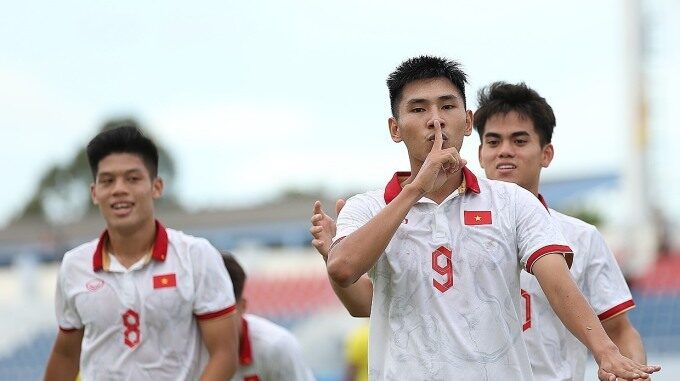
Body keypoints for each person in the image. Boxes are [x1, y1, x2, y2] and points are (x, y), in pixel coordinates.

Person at [312, 55, 659, 380]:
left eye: (447, 106)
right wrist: (416, 188)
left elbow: (555, 279)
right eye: (418, 109)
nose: (435, 119)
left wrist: (606, 353)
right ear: (395, 128)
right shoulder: (367, 208)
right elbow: (345, 272)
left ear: (466, 121)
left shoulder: (514, 203)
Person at [473, 81, 647, 380]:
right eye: (493, 141)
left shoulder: (582, 237)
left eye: (519, 140)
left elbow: (620, 331)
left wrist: (632, 374)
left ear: (546, 153)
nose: (504, 151)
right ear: (480, 154)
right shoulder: (449, 230)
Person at [43, 125, 239, 381]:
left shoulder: (197, 256)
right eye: (107, 181)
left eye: (133, 178)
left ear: (156, 187)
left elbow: (224, 354)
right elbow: (66, 355)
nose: (119, 189)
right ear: (94, 193)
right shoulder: (73, 265)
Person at [220, 252, 316, 381]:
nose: (216, 324)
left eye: (223, 314)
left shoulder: (276, 346)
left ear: (242, 307)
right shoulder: (188, 346)